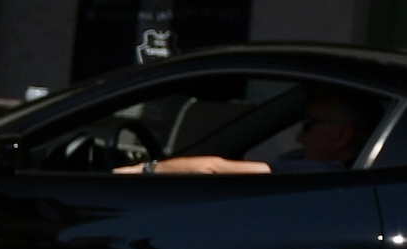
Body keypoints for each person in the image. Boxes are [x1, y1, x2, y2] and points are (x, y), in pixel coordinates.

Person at [118, 89, 373, 174]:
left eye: (308, 126)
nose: (300, 137)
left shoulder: (325, 172)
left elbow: (213, 169)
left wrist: (146, 170)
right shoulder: (304, 162)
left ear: (342, 136)